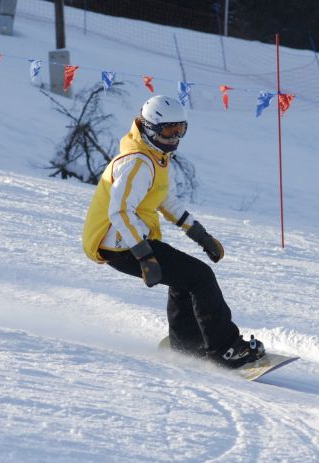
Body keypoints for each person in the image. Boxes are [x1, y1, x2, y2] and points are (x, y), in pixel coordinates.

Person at [81, 95, 266, 368]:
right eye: (169, 130)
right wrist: (145, 256)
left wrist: (200, 235)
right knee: (201, 277)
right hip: (122, 243)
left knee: (186, 279)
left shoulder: (156, 157)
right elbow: (119, 212)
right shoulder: (137, 162)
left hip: (129, 240)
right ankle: (226, 349)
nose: (175, 137)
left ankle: (185, 345)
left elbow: (163, 199)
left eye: (180, 130)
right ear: (150, 127)